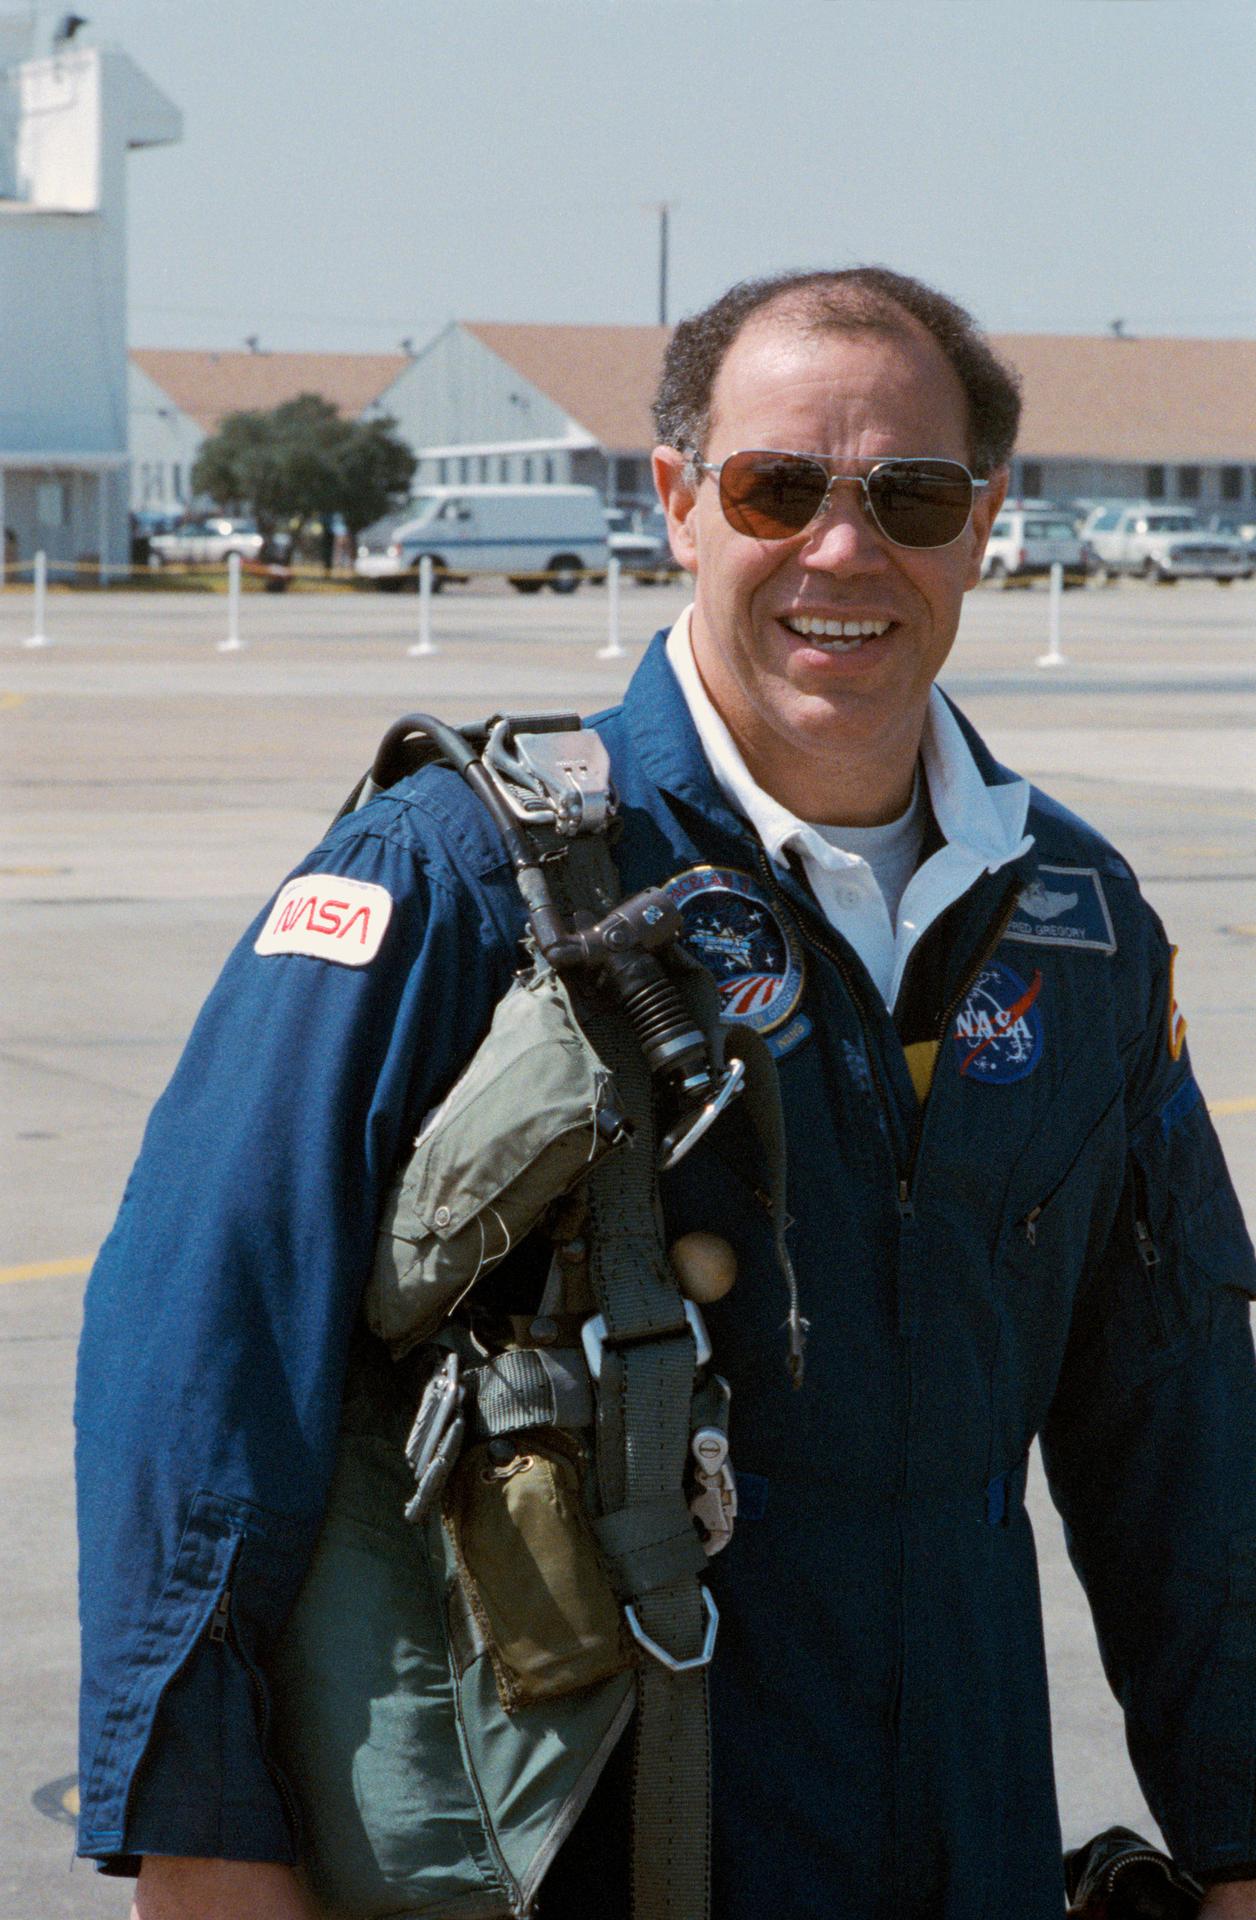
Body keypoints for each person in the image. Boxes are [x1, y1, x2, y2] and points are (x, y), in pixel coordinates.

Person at [75, 267, 1256, 1920]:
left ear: (983, 523)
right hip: (601, 1847)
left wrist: (1239, 1832)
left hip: (961, 1835)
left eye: (909, 495)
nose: (844, 552)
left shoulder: (1078, 920)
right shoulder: (469, 879)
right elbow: (202, 1348)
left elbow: (1184, 1423)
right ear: (680, 502)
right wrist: (204, 1843)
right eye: (781, 488)